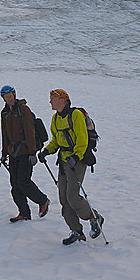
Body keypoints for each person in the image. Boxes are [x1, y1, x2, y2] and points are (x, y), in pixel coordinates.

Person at [39, 88, 104, 245]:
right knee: (64, 199)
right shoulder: (55, 119)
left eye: (53, 99)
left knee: (73, 197)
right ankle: (76, 231)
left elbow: (82, 140)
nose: (50, 102)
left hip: (77, 162)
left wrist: (76, 157)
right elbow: (56, 140)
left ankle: (95, 218)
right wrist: (46, 151)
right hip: (63, 162)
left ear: (63, 100)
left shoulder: (75, 115)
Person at [0, 85, 50, 222]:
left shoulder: (23, 109)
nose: (9, 98)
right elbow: (4, 135)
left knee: (23, 182)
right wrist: (4, 153)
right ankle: (24, 213)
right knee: (15, 185)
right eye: (6, 97)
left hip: (26, 151)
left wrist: (32, 152)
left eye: (11, 96)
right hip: (13, 153)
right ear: (3, 98)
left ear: (14, 95)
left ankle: (43, 200)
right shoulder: (4, 113)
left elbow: (30, 131)